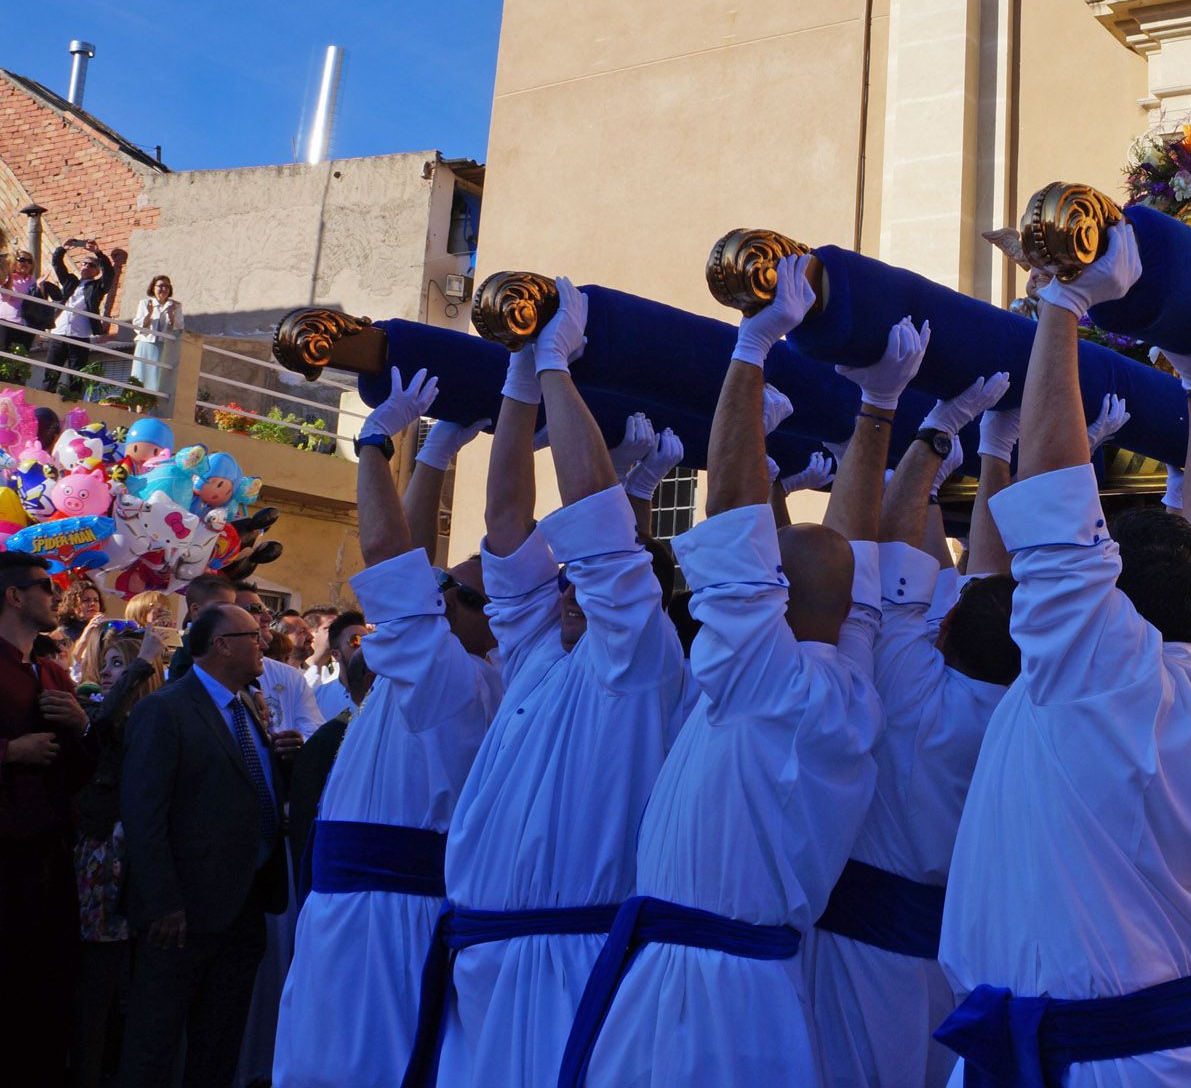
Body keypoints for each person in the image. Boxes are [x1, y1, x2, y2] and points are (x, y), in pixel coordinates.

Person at [934, 224, 1191, 1084]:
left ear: (1114, 601)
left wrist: (1066, 302)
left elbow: (1054, 507)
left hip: (1100, 1064)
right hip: (1169, 1051)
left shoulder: (1108, 674)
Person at [562, 277, 906, 1088]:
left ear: (774, 598)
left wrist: (752, 346)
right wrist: (880, 410)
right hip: (753, 983)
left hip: (693, 993)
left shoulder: (768, 682)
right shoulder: (849, 686)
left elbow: (733, 515)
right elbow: (847, 560)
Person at [403, 284, 690, 1088]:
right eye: (561, 582)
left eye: (582, 582)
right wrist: (521, 378)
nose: (563, 586)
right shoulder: (534, 652)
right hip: (480, 963)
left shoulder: (640, 660)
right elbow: (503, 522)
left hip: (576, 962)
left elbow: (600, 524)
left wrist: (562, 368)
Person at [273, 377, 503, 1088]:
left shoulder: (460, 680)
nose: (439, 597)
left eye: (458, 594)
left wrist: (375, 444)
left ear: (496, 616)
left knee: (360, 1069)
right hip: (347, 901)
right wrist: (435, 453)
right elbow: (414, 564)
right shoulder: (443, 659)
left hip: (389, 915)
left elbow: (388, 553)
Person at [804, 370, 1020, 1088]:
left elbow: (891, 556)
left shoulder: (909, 683)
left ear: (947, 625)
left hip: (860, 949)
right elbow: (987, 580)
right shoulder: (1027, 712)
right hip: (959, 961)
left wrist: (936, 434)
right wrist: (995, 450)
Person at [116, 599, 292, 1088]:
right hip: (183, 913)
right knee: (156, 1041)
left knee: (219, 1043)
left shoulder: (248, 706)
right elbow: (144, 815)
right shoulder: (165, 709)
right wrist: (163, 901)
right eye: (252, 636)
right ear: (220, 645)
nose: (263, 643)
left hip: (244, 904)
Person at [0, 551, 94, 1088]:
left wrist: (80, 726)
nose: (57, 596)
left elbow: (77, 771)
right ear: (13, 595)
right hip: (5, 854)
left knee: (48, 991)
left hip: (51, 856)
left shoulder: (54, 670)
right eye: (45, 586)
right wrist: (9, 752)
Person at [72, 650, 163, 1087]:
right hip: (101, 856)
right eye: (105, 664)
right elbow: (102, 723)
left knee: (130, 985)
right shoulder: (94, 714)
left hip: (135, 861)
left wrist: (143, 666)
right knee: (97, 981)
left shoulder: (154, 718)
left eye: (118, 665)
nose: (107, 674)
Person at [40, 239, 114, 399]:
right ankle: (45, 399)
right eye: (84, 263)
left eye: (91, 265)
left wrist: (98, 253)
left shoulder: (98, 287)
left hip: (80, 335)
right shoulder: (70, 281)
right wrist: (63, 249)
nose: (86, 267)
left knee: (76, 375)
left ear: (97, 271)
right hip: (59, 331)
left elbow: (109, 274)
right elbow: (57, 265)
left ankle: (73, 407)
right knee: (51, 370)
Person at [312, 611, 374, 720]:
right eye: (356, 641)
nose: (364, 647)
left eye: (368, 641)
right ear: (336, 655)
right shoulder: (317, 698)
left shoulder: (384, 692)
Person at [128, 273, 183, 393]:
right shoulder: (145, 303)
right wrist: (149, 313)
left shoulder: (175, 305)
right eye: (161, 286)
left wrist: (171, 314)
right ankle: (135, 405)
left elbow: (179, 328)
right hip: (146, 343)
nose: (164, 289)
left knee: (157, 379)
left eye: (167, 286)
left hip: (164, 346)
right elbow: (138, 326)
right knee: (140, 376)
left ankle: (151, 408)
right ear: (153, 287)